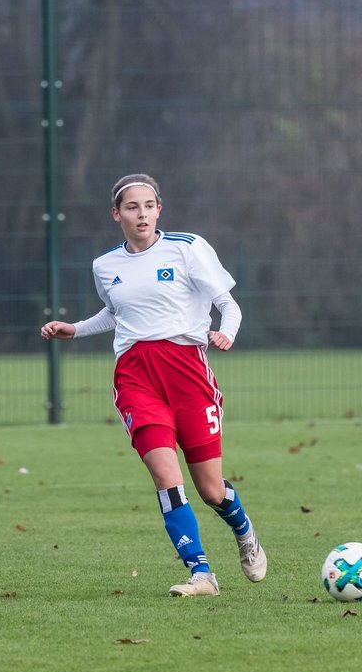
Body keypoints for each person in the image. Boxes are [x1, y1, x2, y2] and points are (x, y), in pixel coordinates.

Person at [41, 173, 266, 596]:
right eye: (131, 207)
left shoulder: (187, 248)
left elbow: (226, 303)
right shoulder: (105, 266)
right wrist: (75, 328)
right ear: (116, 214)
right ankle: (201, 573)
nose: (141, 214)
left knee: (211, 489)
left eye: (148, 205)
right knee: (165, 475)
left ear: (159, 209)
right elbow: (115, 314)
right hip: (136, 377)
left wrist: (227, 333)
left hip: (188, 374)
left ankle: (244, 533)